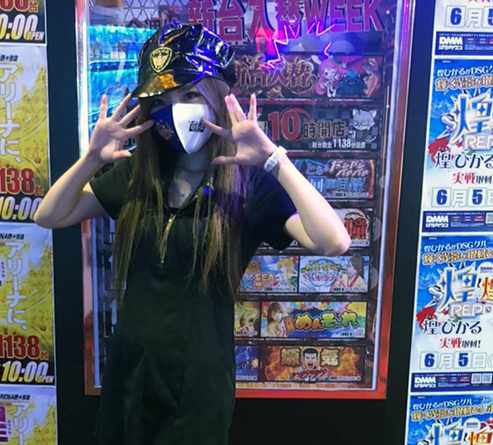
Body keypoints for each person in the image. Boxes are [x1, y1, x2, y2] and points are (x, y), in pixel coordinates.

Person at [34, 23, 349, 445]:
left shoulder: (248, 185)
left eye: (189, 96)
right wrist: (92, 158)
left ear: (217, 98)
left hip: (197, 383)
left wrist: (274, 160)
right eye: (161, 102)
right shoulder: (140, 175)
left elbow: (334, 241)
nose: (176, 111)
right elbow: (50, 215)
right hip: (131, 370)